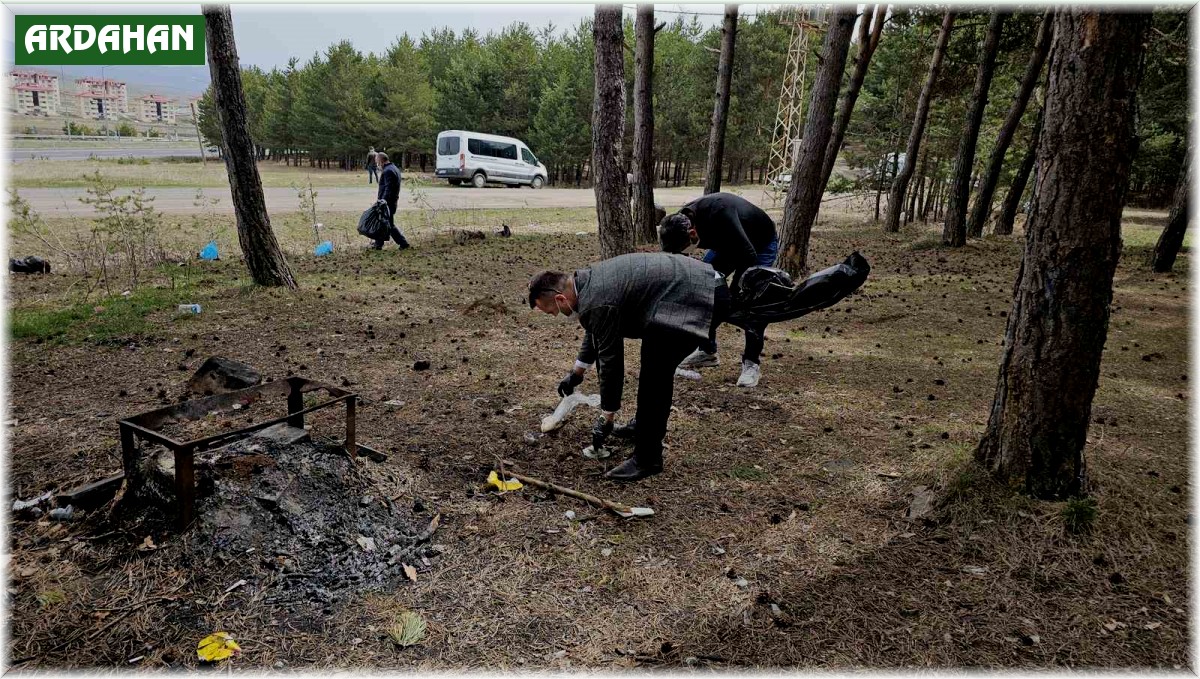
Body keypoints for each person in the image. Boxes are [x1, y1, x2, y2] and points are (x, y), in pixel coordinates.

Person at [528, 253, 729, 481]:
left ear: (560, 300)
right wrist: (576, 373)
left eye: (552, 311)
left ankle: (647, 459)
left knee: (655, 375)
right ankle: (643, 428)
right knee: (655, 365)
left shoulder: (597, 300)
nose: (556, 316)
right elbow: (596, 329)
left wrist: (608, 415)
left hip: (698, 295)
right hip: (699, 285)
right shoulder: (585, 283)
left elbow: (611, 362)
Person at [659, 192, 779, 388]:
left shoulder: (720, 212)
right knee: (702, 288)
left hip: (758, 243)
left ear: (693, 234)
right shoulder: (678, 223)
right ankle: (707, 351)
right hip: (725, 242)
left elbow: (748, 255)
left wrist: (731, 293)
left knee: (752, 302)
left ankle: (751, 363)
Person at [371, 152, 411, 250]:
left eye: (377, 161)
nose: (377, 164)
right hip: (391, 201)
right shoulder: (394, 168)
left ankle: (403, 243)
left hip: (387, 203)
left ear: (381, 161)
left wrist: (382, 202)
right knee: (383, 223)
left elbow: (388, 189)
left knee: (389, 225)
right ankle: (378, 244)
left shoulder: (388, 171)